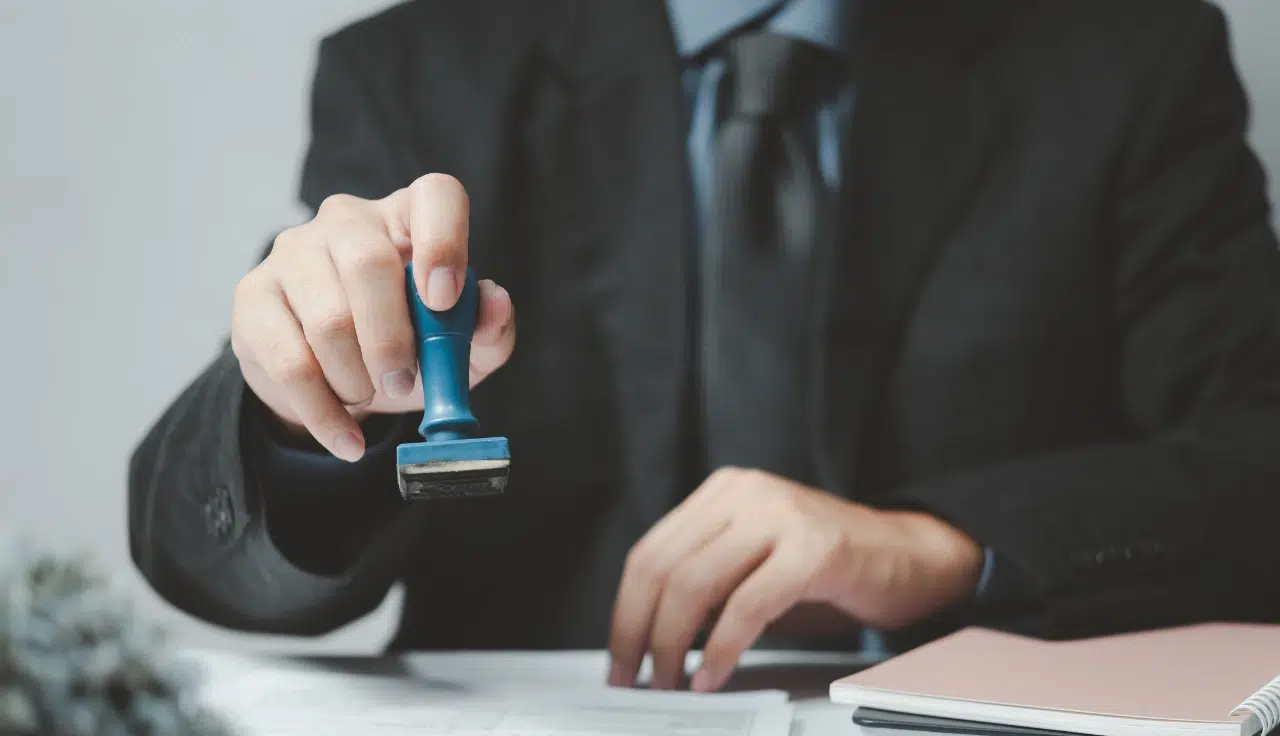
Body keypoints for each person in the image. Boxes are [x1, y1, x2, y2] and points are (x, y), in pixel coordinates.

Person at [128, 0, 1280, 692]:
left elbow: (1253, 460)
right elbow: (201, 560)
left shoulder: (1131, 54)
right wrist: (299, 411)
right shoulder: (421, 68)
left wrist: (941, 547)